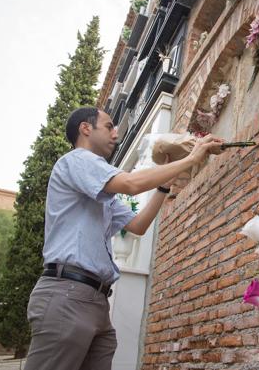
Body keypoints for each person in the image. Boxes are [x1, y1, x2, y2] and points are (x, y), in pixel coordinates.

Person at [24, 106, 224, 370]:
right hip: (68, 294)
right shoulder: (78, 160)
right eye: (109, 126)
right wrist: (191, 158)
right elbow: (131, 183)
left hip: (95, 301)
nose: (116, 134)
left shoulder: (99, 191)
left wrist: (166, 183)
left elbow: (138, 225)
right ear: (86, 128)